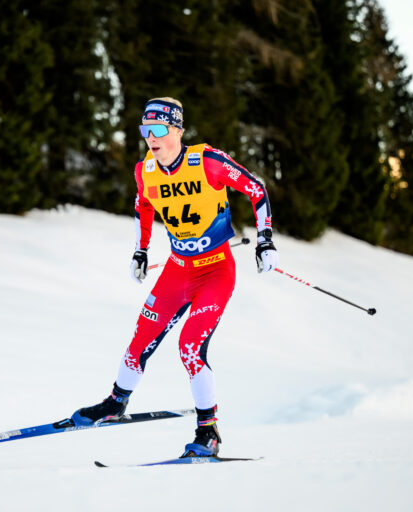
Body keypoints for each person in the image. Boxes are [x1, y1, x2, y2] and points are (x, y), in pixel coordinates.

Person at [71, 97, 278, 457]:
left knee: (189, 347)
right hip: (177, 271)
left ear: (177, 131)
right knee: (139, 341)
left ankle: (208, 432)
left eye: (158, 130)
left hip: (215, 271)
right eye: (144, 131)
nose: (150, 138)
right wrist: (141, 250)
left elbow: (256, 188)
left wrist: (265, 241)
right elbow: (143, 206)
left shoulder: (208, 161)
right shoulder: (144, 171)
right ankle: (115, 403)